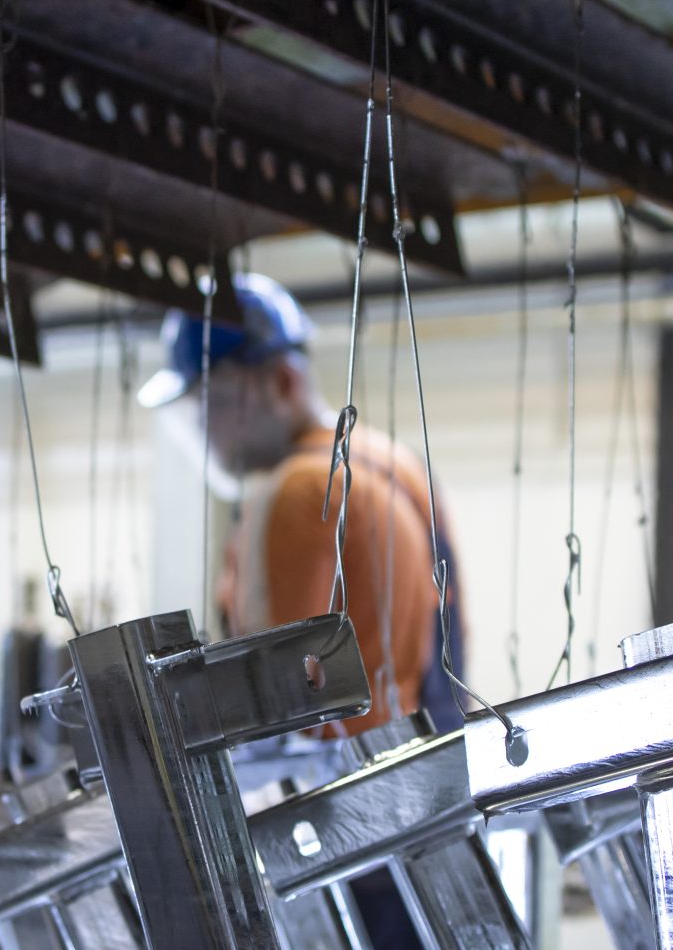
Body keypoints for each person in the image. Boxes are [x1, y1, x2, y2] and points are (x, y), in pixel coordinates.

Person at [139, 272, 469, 739]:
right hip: (431, 756)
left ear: (283, 382)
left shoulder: (295, 491)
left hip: (347, 780)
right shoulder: (397, 463)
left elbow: (276, 702)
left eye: (213, 405)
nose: (206, 432)